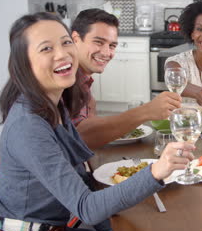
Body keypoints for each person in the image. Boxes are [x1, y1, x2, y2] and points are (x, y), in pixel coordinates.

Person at [0, 12, 195, 231]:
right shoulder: (28, 125)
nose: (62, 54)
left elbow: (81, 178)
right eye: (46, 48)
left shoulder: (54, 103)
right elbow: (86, 208)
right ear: (24, 63)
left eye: (65, 42)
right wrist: (157, 171)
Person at [71, 8, 182, 149]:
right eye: (98, 42)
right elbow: (79, 137)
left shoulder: (82, 79)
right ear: (75, 39)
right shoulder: (66, 79)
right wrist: (146, 111)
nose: (106, 52)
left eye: (112, 46)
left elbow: (88, 131)